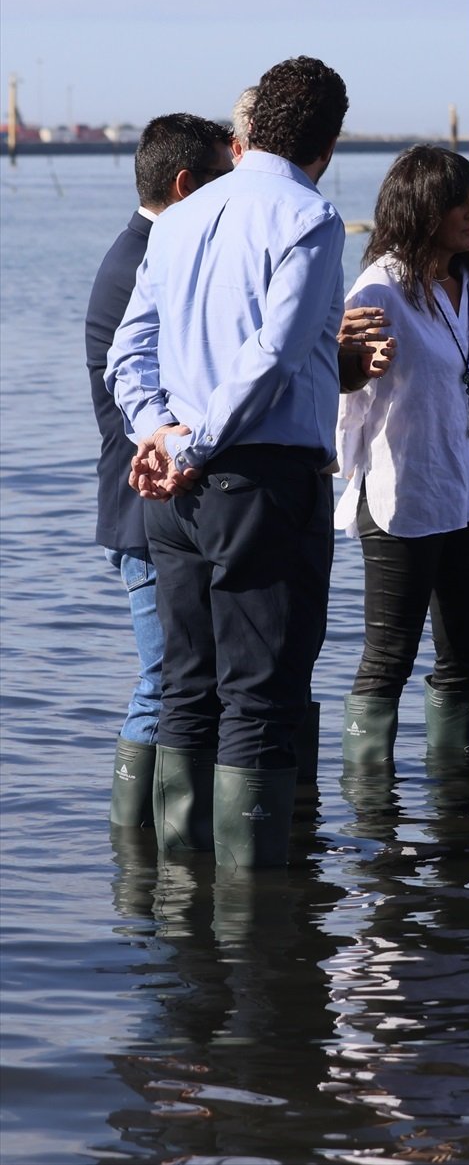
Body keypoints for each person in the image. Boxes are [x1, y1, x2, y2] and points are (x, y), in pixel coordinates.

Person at [107, 55, 352, 869]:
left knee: (186, 685)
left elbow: (128, 352)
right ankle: (255, 925)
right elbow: (272, 357)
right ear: (330, 140)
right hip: (261, 483)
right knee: (260, 695)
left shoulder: (180, 217)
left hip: (171, 494)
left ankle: (181, 918)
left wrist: (159, 434)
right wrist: (192, 441)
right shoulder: (309, 219)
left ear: (252, 129)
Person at [334, 146, 469, 772]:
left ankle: (456, 802)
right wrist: (359, 364)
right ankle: (371, 809)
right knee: (390, 655)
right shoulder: (378, 285)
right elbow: (345, 378)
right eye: (458, 199)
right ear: (422, 207)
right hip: (403, 493)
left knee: (464, 654)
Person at [86, 113, 232, 830]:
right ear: (185, 185)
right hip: (144, 507)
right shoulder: (139, 261)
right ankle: (136, 846)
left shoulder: (155, 250)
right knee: (163, 682)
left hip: (160, 502)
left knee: (177, 680)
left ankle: (155, 845)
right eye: (222, 179)